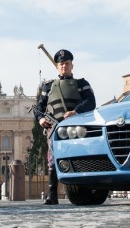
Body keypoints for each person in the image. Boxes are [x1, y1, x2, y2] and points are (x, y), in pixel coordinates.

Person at [34, 49, 95, 205]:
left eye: (67, 64)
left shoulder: (82, 84)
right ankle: (52, 194)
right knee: (53, 160)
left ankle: (84, 191)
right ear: (57, 66)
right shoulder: (48, 87)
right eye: (61, 64)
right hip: (54, 128)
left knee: (80, 157)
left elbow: (90, 102)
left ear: (71, 65)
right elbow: (39, 107)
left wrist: (76, 111)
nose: (64, 67)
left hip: (76, 128)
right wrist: (41, 119)